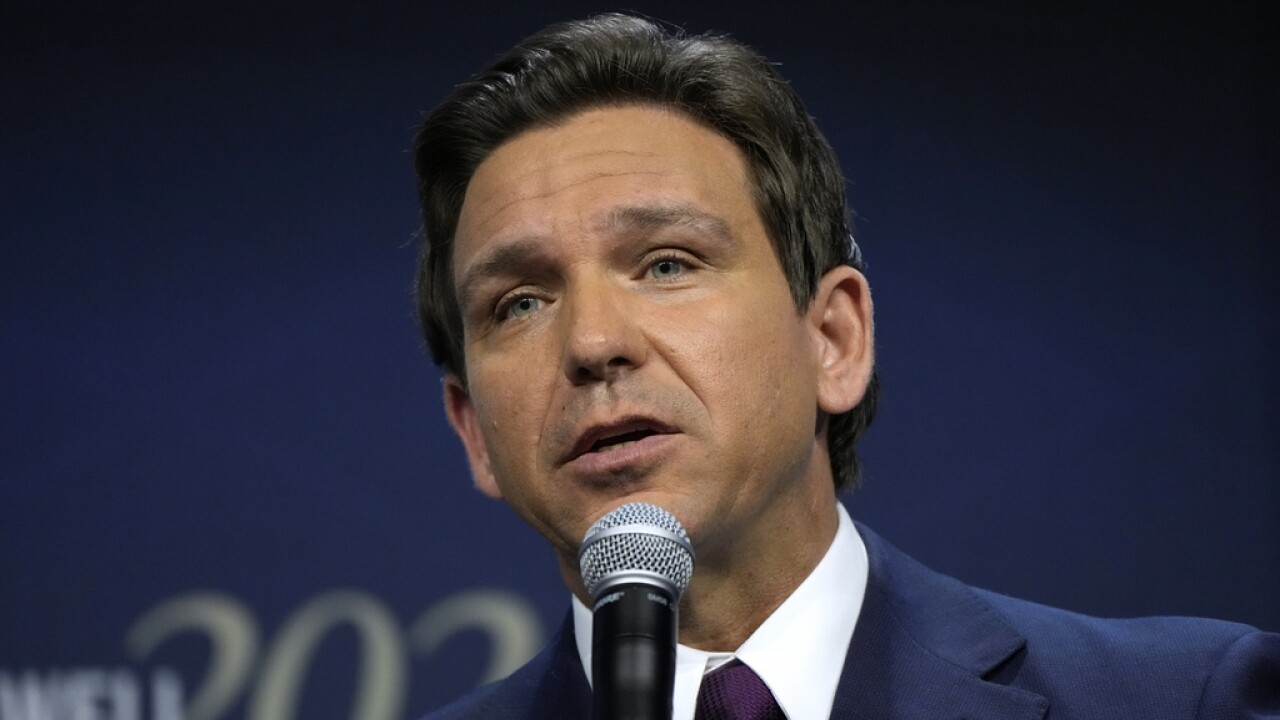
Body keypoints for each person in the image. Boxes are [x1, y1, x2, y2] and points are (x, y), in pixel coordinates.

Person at [411, 13, 1279, 719]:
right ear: (473, 431)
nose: (594, 343)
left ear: (834, 338)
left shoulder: (1183, 698)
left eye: (667, 263)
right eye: (519, 303)